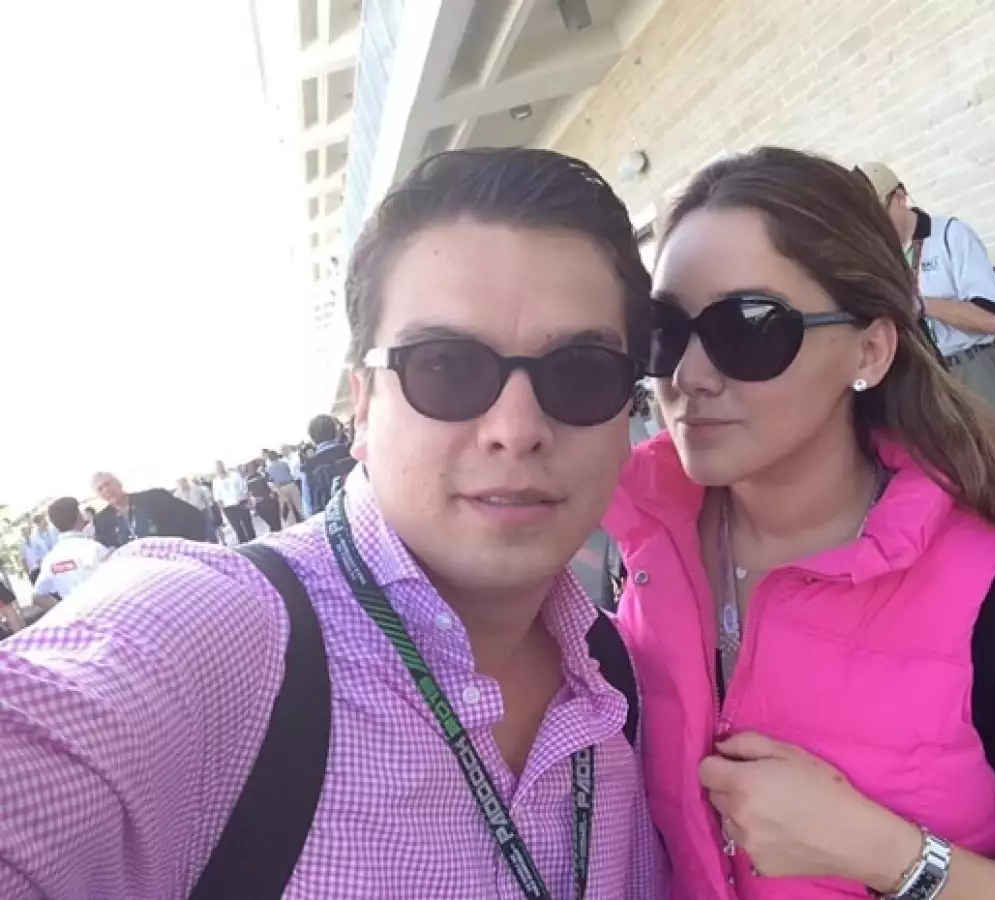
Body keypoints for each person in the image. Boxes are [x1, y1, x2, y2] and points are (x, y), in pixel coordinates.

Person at [0, 147, 663, 898]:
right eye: (446, 366)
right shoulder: (220, 641)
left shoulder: (618, 675)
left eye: (579, 372)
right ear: (363, 407)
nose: (516, 427)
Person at [605, 148, 995, 899]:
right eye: (664, 330)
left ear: (869, 348)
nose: (689, 376)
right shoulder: (643, 546)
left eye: (750, 327)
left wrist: (886, 854)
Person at [857, 162, 995, 428]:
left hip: (974, 368)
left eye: (878, 214)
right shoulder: (881, 258)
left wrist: (921, 305)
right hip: (927, 382)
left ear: (900, 198)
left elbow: (992, 320)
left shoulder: (950, 234)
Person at [91, 472, 208, 549]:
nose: (106, 490)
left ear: (119, 483)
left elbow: (194, 518)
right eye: (100, 489)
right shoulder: (102, 521)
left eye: (108, 484)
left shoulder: (155, 498)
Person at [31, 497, 111, 608]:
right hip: (104, 611)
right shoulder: (93, 548)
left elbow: (37, 597)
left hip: (77, 619)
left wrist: (66, 610)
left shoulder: (51, 559)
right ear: (79, 516)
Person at [299, 413, 356, 516]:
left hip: (332, 521)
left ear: (312, 438)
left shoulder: (308, 468)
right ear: (336, 431)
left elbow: (309, 506)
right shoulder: (352, 452)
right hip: (360, 511)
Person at [212, 460, 255, 544]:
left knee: (248, 525)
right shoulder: (216, 481)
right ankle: (245, 545)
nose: (220, 469)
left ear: (224, 466)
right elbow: (217, 496)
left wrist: (248, 500)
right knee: (237, 528)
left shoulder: (235, 475)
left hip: (241, 502)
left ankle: (254, 541)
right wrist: (221, 508)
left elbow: (244, 487)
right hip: (228, 507)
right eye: (217, 468)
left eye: (221, 466)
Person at [265, 449, 305, 523]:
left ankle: (293, 524)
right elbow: (289, 472)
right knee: (299, 506)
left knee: (288, 510)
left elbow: (270, 482)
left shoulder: (268, 469)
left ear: (270, 459)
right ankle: (304, 518)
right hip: (291, 484)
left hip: (281, 488)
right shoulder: (284, 463)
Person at [176, 477, 220, 542]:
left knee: (210, 532)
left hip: (202, 512)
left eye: (184, 482)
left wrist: (210, 512)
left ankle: (215, 545)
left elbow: (206, 501)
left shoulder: (197, 489)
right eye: (180, 483)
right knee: (198, 535)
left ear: (187, 482)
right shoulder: (177, 495)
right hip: (189, 517)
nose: (183, 484)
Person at [246, 460, 282, 533]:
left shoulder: (263, 474)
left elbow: (272, 484)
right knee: (273, 525)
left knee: (276, 524)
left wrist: (274, 492)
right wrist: (252, 502)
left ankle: (278, 538)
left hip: (270, 501)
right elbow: (249, 493)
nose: (250, 469)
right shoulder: (248, 479)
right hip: (261, 504)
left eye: (251, 467)